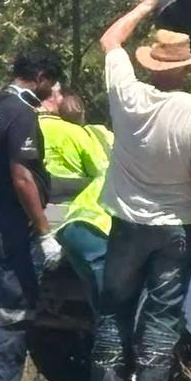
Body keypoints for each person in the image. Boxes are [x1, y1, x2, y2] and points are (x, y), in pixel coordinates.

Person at [92, 0, 191, 381]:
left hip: (128, 221)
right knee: (162, 312)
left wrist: (147, 4)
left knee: (114, 308)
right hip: (175, 227)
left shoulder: (126, 95)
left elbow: (110, 40)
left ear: (150, 64)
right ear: (186, 68)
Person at [0, 52, 63, 381]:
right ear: (40, 77)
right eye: (50, 84)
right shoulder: (22, 115)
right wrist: (44, 231)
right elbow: (22, 177)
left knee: (5, 299)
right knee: (15, 306)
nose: (50, 90)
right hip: (14, 222)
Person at [38, 89, 113, 310]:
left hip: (38, 209)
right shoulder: (83, 135)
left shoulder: (33, 126)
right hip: (78, 218)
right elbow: (100, 169)